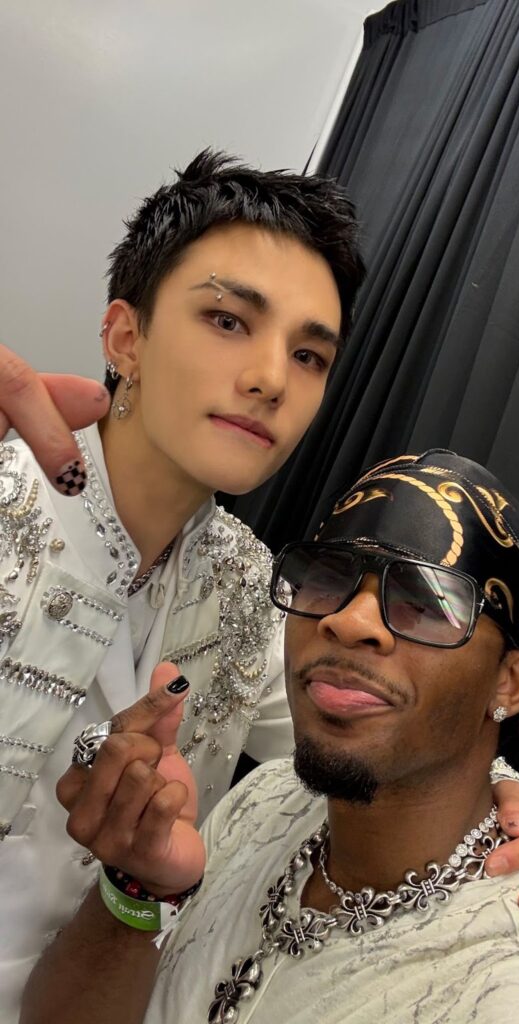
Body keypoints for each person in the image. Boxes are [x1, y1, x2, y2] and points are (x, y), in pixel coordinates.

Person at [21, 449, 519, 1024]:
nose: (348, 620)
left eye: (423, 601)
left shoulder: (518, 990)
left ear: (511, 682)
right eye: (327, 578)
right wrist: (137, 888)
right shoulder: (264, 803)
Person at [0, 148, 364, 1019]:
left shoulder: (245, 584)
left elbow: (350, 733)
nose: (270, 379)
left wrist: (502, 798)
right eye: (228, 320)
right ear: (125, 338)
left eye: (309, 355)